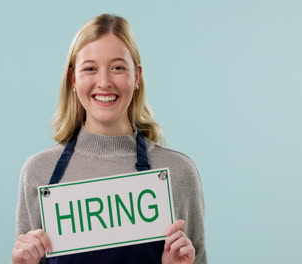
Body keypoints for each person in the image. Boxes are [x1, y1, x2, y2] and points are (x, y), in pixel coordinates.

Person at [12, 13, 207, 264]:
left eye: (117, 68)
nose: (104, 82)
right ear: (73, 79)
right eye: (90, 68)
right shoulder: (39, 172)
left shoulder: (178, 173)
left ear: (136, 77)